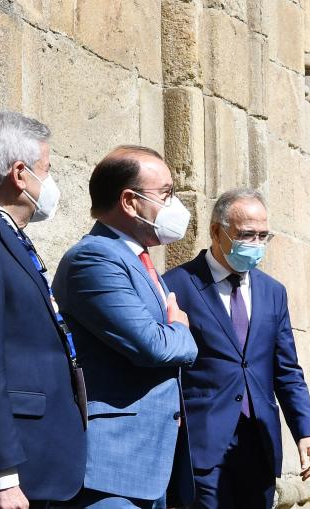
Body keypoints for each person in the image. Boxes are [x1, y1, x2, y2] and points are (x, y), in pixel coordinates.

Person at [0, 111, 87, 509]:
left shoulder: (2, 231)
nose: (51, 182)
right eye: (48, 169)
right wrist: (2, 473)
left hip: (42, 460)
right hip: (18, 468)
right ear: (20, 174)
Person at [52, 145, 198, 509]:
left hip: (151, 464)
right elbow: (154, 346)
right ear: (130, 201)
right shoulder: (95, 257)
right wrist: (181, 329)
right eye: (165, 194)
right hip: (112, 467)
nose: (173, 205)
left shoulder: (137, 259)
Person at [162, 188, 310, 509]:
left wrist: (306, 431)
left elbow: (287, 370)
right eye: (246, 235)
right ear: (216, 232)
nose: (256, 244)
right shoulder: (177, 285)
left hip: (258, 443)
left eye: (264, 235)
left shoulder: (273, 292)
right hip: (203, 444)